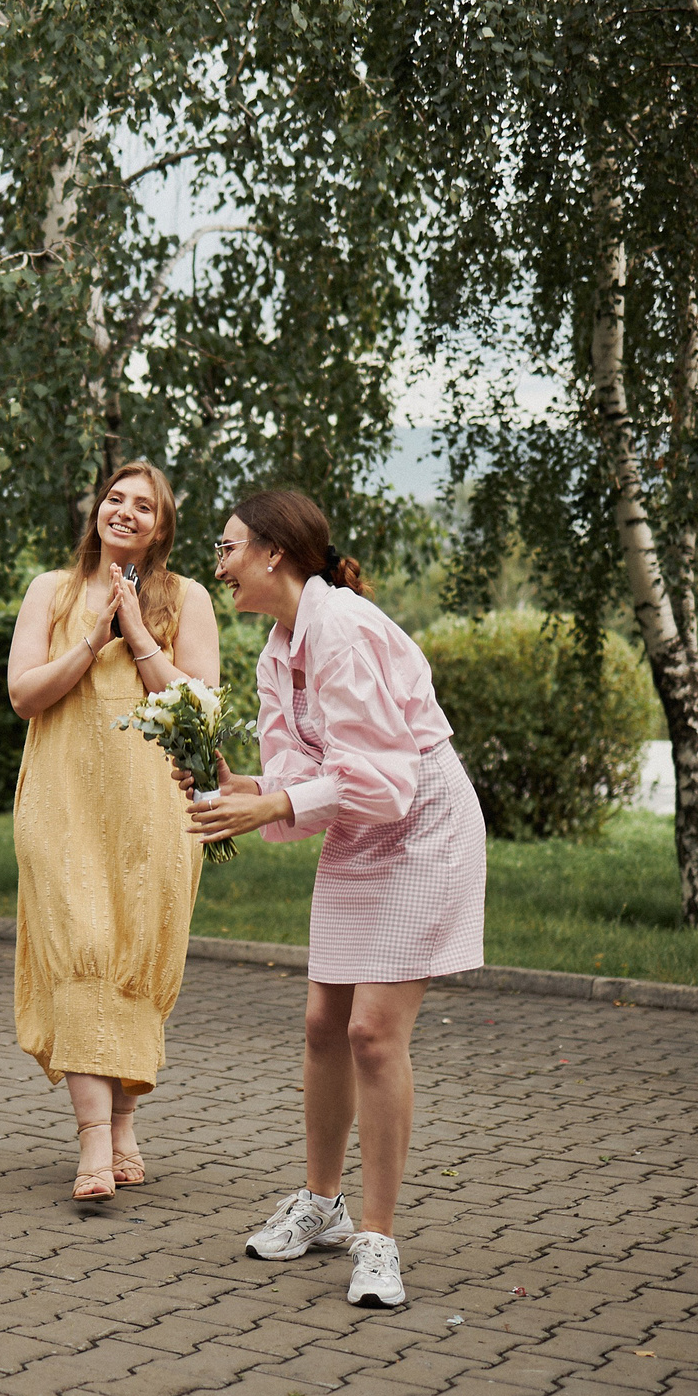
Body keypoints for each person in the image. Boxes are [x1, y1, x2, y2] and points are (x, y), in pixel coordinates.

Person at [184, 489, 486, 1310]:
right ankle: (321, 1204)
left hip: (421, 824)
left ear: (275, 553)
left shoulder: (343, 627)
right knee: (323, 1022)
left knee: (372, 1035)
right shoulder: (276, 649)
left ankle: (377, 1238)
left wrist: (274, 804)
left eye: (229, 546)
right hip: (364, 824)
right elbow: (299, 779)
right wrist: (244, 792)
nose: (219, 564)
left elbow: (385, 781)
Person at [5, 461, 222, 1200]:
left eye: (144, 506)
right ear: (98, 509)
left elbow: (197, 708)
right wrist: (91, 638)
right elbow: (23, 694)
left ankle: (124, 1124)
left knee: (134, 955)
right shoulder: (51, 591)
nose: (124, 511)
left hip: (152, 808)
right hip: (63, 801)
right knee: (84, 948)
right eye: (115, 498)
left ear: (162, 528)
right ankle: (92, 1143)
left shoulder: (186, 598)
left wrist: (135, 631)